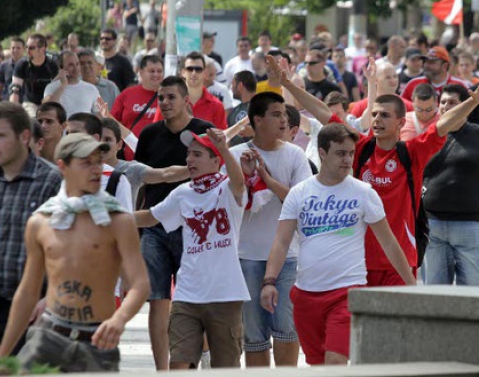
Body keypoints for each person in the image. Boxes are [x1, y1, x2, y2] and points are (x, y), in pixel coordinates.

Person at [274, 56, 479, 286]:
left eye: (384, 115)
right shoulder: (360, 147)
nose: (377, 119)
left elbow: (443, 124)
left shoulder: (412, 152)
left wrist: (472, 102)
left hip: (400, 260)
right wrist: (289, 85)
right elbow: (324, 114)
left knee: (398, 321)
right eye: (374, 114)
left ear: (401, 123)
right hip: (359, 260)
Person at [0, 133, 150, 371]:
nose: (96, 169)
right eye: (86, 163)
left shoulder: (118, 220)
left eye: (98, 161)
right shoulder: (41, 222)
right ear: (63, 166)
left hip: (97, 341)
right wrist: (3, 352)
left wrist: (119, 318)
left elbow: (140, 283)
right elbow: (28, 292)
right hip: (48, 338)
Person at [261, 123, 416, 365]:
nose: (347, 160)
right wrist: (269, 281)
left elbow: (389, 243)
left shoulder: (364, 192)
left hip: (347, 292)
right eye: (340, 153)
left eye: (351, 153)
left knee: (335, 363)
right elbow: (281, 241)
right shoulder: (299, 193)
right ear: (322, 153)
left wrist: (411, 285)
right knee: (318, 365)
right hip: (306, 294)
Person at [135, 128, 249, 369]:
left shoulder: (228, 189)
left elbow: (239, 184)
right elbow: (151, 217)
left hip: (225, 295)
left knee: (225, 368)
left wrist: (225, 148)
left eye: (197, 154)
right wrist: (112, 216)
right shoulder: (182, 193)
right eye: (188, 155)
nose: (189, 160)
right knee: (178, 365)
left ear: (215, 161)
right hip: (187, 295)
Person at [134, 76, 214, 370]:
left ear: (185, 100)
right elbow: (142, 181)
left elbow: (216, 178)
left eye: (170, 97)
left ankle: (198, 356)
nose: (165, 103)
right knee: (157, 299)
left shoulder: (204, 131)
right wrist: (137, 223)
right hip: (154, 226)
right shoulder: (149, 135)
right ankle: (162, 370)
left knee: (193, 300)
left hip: (194, 228)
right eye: (160, 98)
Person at [229, 91, 312, 367]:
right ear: (257, 120)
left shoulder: (295, 155)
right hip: (246, 258)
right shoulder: (235, 155)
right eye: (276, 114)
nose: (283, 120)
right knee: (254, 335)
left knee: (288, 331)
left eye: (285, 115)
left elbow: (302, 202)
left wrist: (266, 178)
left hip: (288, 258)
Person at [0, 102, 61, 355]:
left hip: (29, 310)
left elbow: (66, 248)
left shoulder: (52, 181)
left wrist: (50, 298)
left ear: (25, 137)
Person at [423, 84, 479, 285]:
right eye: (443, 102)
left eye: (452, 102)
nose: (446, 106)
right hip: (432, 224)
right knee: (434, 294)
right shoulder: (428, 135)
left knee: (472, 295)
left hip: (470, 225)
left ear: (466, 105)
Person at [101, 118, 189, 206]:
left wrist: (194, 168)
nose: (101, 144)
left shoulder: (131, 169)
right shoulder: (87, 171)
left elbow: (165, 174)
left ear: (119, 145)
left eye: (108, 139)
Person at [154, 52, 227, 129]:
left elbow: (221, 137)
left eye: (198, 69)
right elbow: (156, 132)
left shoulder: (216, 105)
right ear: (183, 72)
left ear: (204, 73)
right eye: (190, 69)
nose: (194, 73)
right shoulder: (167, 101)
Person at [111, 55, 164, 160]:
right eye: (151, 71)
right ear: (141, 72)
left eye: (159, 71)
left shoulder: (169, 96)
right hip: (129, 158)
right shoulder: (127, 94)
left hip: (159, 156)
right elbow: (112, 122)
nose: (156, 75)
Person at [9, 33, 59, 116]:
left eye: (31, 48)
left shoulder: (53, 64)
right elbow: (15, 88)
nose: (27, 51)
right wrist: (13, 111)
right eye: (26, 47)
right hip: (30, 103)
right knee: (33, 120)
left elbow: (60, 88)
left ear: (42, 49)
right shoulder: (22, 64)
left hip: (50, 102)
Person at [43, 51, 100, 117]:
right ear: (61, 68)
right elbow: (47, 108)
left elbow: (104, 113)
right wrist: (63, 86)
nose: (76, 68)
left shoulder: (92, 88)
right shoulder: (52, 87)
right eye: (71, 65)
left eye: (77, 64)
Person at [401, 46, 467, 102]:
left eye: (432, 62)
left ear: (445, 66)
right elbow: (401, 107)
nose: (427, 65)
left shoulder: (459, 85)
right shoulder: (413, 84)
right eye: (426, 62)